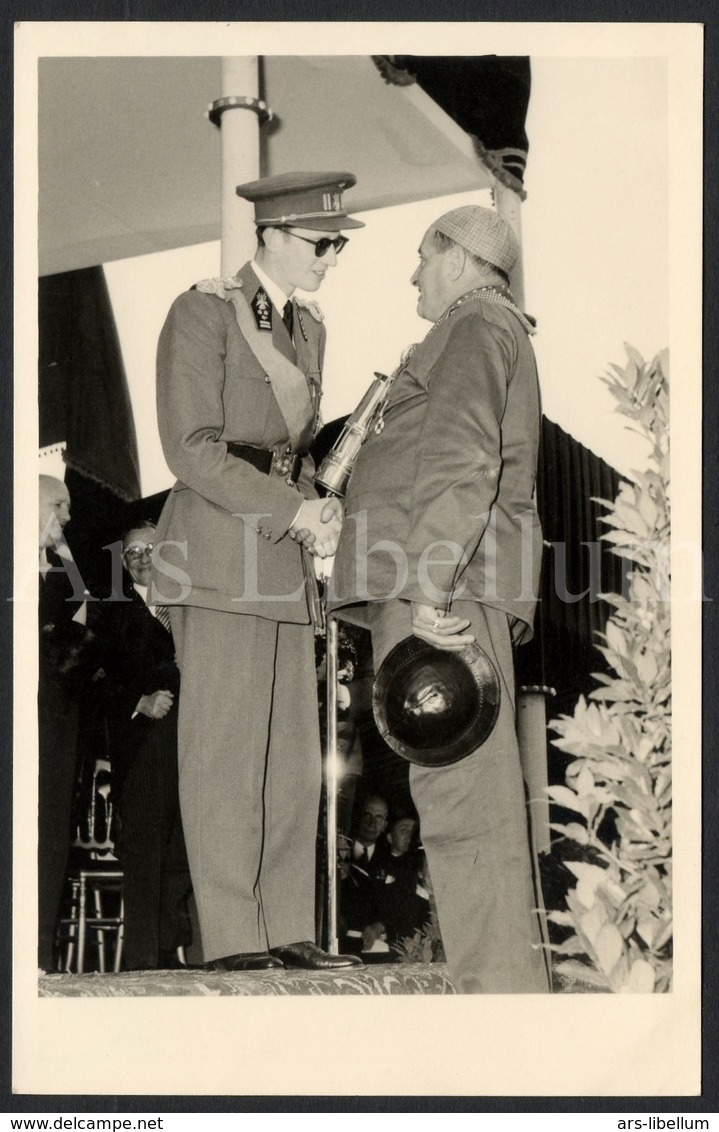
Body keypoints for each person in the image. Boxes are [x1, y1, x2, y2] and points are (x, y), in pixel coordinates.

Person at [330, 204, 550, 993]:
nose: (414, 273)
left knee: (467, 809)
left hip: (445, 590)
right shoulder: (482, 328)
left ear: (457, 259)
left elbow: (462, 456)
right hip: (447, 581)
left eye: (423, 257)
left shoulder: (470, 326)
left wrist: (427, 587)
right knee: (458, 802)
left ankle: (502, 1019)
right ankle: (495, 1004)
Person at [152, 172, 364, 972]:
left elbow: (292, 451)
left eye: (336, 243)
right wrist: (291, 512)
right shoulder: (202, 310)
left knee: (288, 755)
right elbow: (191, 447)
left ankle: (284, 926)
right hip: (218, 550)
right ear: (271, 235)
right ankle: (235, 936)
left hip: (280, 557)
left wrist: (319, 509)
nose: (331, 258)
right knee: (224, 752)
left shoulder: (308, 326)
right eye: (321, 243)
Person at [89, 522, 193, 970]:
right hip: (142, 750)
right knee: (146, 858)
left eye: (151, 547)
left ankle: (170, 956)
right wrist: (139, 701)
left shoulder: (189, 603)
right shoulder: (111, 610)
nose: (141, 557)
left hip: (190, 748)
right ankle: (142, 965)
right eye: (132, 551)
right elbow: (92, 680)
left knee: (183, 856)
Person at [37, 475, 90, 970]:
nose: (68, 517)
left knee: (52, 832)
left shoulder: (57, 575)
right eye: (60, 505)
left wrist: (61, 545)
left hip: (56, 721)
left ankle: (40, 953)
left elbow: (87, 606)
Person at [339, 792, 393, 956]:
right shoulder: (339, 851)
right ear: (358, 817)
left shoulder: (389, 860)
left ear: (385, 824)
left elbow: (397, 906)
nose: (372, 823)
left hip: (374, 948)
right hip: (341, 943)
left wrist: (379, 926)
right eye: (367, 815)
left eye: (378, 817)